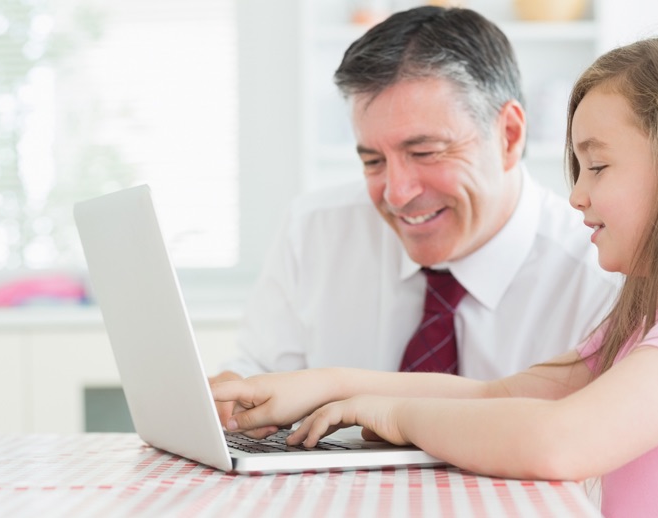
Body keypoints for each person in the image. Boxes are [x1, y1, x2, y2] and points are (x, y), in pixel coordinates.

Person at [212, 26, 658, 517]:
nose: (577, 195)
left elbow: (563, 440)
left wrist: (395, 416)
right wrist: (331, 386)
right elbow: (501, 397)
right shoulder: (650, 313)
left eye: (596, 166)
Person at [212, 7, 618, 431]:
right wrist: (235, 396)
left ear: (509, 135)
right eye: (372, 161)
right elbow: (257, 373)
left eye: (425, 152)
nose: (396, 193)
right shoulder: (315, 230)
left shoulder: (603, 277)